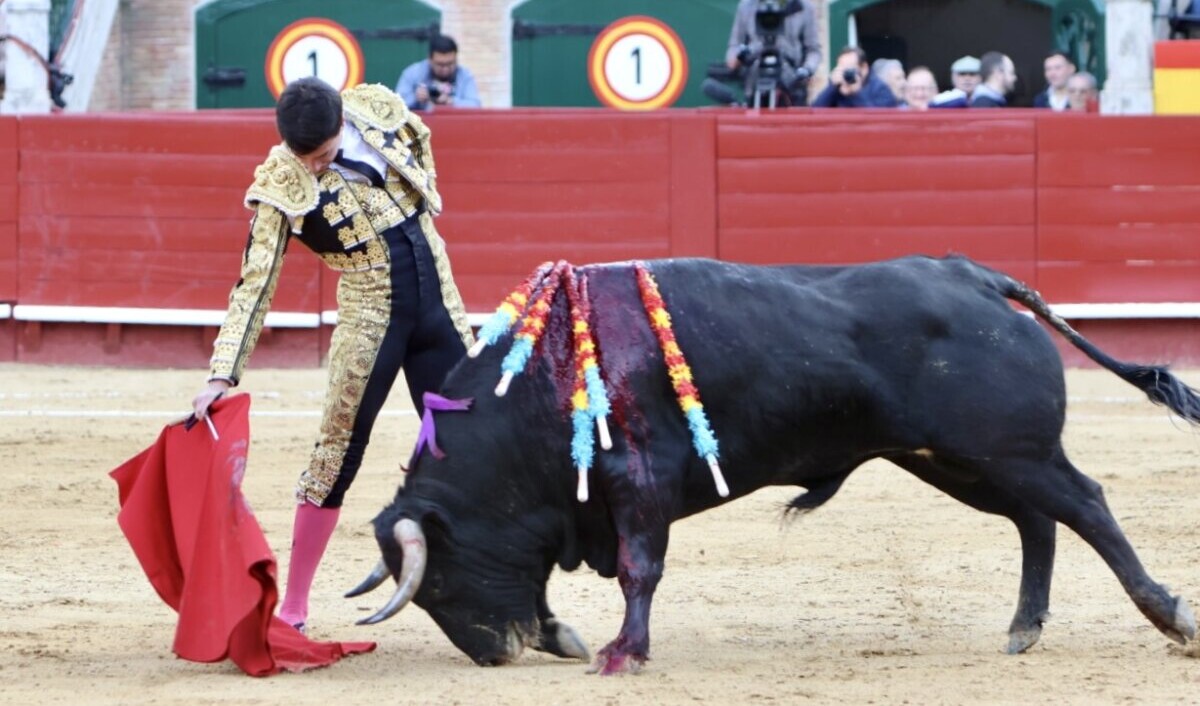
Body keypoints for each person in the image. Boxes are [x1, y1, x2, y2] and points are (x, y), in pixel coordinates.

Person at [191, 77, 474, 632]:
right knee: (335, 456)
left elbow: (420, 136)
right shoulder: (281, 181)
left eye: (322, 156)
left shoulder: (376, 110)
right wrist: (222, 374)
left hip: (439, 298)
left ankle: (488, 587)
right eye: (308, 160)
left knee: (477, 443)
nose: (315, 169)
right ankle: (295, 605)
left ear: (342, 122)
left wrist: (426, 197)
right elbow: (256, 283)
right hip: (371, 318)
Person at [715, 0, 821, 107]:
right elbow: (734, 47)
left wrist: (806, 70)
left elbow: (813, 50)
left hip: (791, 86)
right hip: (754, 84)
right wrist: (738, 57)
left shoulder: (803, 7)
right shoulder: (746, 6)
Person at [396, 34, 481, 111]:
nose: (445, 69)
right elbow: (396, 106)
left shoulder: (465, 76)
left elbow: (475, 105)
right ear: (430, 59)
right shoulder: (412, 73)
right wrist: (416, 98)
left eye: (450, 64)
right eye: (440, 64)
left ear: (456, 58)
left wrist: (449, 101)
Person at [811, 46, 899, 108]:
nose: (845, 73)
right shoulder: (836, 88)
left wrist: (856, 93)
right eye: (842, 69)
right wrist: (831, 88)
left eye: (849, 68)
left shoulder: (880, 89)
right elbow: (815, 112)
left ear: (864, 68)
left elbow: (876, 120)